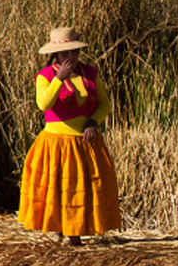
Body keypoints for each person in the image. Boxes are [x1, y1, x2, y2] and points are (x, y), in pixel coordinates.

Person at [19, 27, 121, 245]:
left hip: (84, 142)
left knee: (78, 189)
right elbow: (43, 103)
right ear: (55, 55)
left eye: (74, 52)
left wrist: (94, 122)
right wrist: (58, 79)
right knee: (58, 189)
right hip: (56, 143)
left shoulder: (90, 73)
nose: (71, 57)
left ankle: (74, 234)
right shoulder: (44, 76)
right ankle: (63, 232)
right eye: (65, 54)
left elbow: (104, 104)